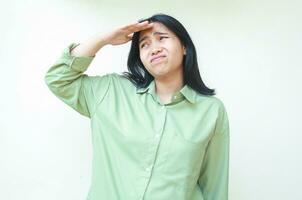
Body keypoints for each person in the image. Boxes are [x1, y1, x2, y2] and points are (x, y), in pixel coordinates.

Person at [45, 13, 230, 200]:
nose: (154, 49)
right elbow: (58, 79)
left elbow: (214, 187)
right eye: (144, 44)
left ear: (184, 47)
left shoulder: (211, 110)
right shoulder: (111, 91)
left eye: (162, 38)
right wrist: (102, 39)